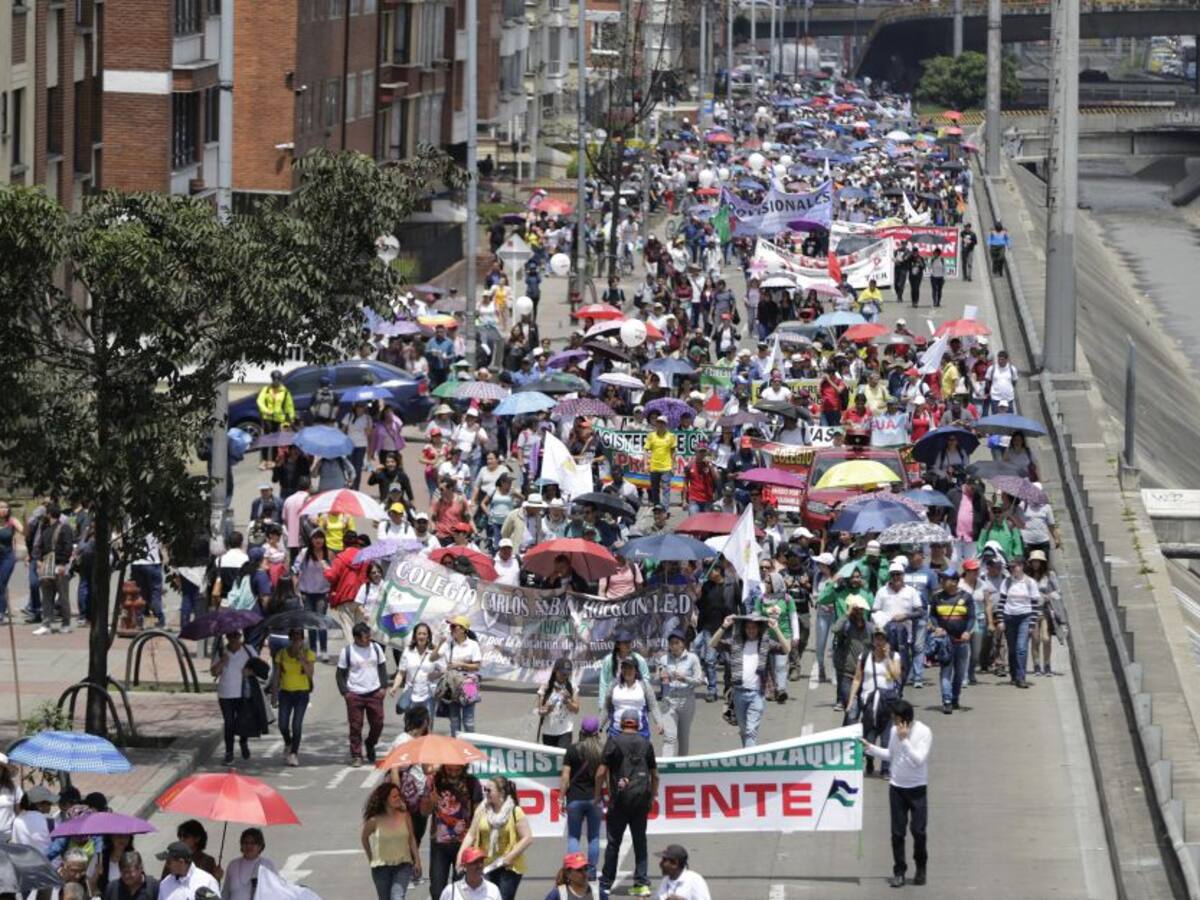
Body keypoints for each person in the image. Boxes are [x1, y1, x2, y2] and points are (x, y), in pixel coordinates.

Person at [862, 699, 932, 888]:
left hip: (917, 789)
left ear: (905, 720)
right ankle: (899, 871)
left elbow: (918, 760)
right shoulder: (894, 731)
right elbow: (890, 754)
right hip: (897, 788)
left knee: (918, 831)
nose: (892, 721)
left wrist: (905, 740)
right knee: (897, 833)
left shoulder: (924, 732)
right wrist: (869, 747)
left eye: (895, 718)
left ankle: (921, 867)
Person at [596, 709, 660, 899]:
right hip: (641, 800)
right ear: (638, 724)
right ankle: (641, 883)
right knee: (640, 841)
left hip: (619, 801)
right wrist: (652, 796)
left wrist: (598, 795)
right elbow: (655, 774)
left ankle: (606, 883)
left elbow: (600, 773)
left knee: (613, 842)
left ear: (621, 723)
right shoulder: (646, 743)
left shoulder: (613, 742)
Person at [708, 613, 791, 748]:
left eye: (754, 627)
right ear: (744, 629)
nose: (751, 630)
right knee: (744, 731)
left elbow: (786, 649)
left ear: (759, 629)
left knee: (750, 731)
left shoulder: (766, 643)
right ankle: (746, 757)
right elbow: (712, 643)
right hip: (738, 694)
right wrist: (724, 626)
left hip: (756, 694)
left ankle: (751, 763)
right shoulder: (736, 642)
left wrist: (776, 628)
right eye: (748, 628)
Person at [458, 776, 533, 900]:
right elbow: (471, 834)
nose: (485, 793)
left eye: (489, 790)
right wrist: (460, 855)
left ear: (501, 792)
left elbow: (527, 838)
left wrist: (510, 857)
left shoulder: (515, 811)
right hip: (486, 865)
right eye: (484, 789)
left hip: (509, 866)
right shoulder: (481, 810)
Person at [423, 765, 484, 900]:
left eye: (457, 770)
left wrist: (475, 840)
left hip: (464, 844)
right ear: (444, 767)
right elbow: (424, 812)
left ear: (464, 767)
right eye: (450, 770)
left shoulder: (472, 782)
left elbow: (479, 815)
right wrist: (430, 802)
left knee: (461, 891)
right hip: (439, 844)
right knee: (437, 890)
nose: (453, 773)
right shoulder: (434, 782)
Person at [849, 630, 903, 778]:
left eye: (882, 639)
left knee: (887, 738)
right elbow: (857, 679)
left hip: (888, 703)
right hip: (869, 703)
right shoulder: (865, 656)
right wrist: (850, 701)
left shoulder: (894, 656)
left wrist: (887, 657)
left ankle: (885, 768)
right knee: (869, 736)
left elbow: (896, 675)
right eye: (877, 639)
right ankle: (870, 761)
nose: (879, 643)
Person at [337, 622, 388, 766]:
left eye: (369, 636)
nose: (368, 640)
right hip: (355, 694)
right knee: (355, 726)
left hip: (374, 693)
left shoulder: (376, 648)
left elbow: (382, 667)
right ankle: (357, 755)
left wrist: (383, 688)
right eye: (365, 638)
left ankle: (370, 743)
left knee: (378, 723)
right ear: (356, 638)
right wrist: (345, 693)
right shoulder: (347, 652)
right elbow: (340, 675)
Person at [560, 718, 605, 880]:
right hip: (595, 798)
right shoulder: (602, 751)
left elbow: (565, 776)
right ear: (597, 732)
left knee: (574, 836)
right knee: (593, 837)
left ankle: (574, 871)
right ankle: (591, 872)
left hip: (575, 798)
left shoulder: (572, 750)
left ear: (581, 731)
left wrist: (560, 798)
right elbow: (604, 776)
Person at [361, 781, 421, 900]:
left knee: (397, 897)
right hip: (381, 868)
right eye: (394, 796)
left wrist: (417, 861)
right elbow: (364, 838)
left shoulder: (405, 816)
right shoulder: (374, 821)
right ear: (385, 800)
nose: (398, 798)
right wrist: (371, 858)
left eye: (399, 795)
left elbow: (412, 838)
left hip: (403, 866)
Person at [928, 569, 974, 715]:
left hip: (961, 641)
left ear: (955, 581)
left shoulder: (966, 597)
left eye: (945, 579)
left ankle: (955, 698)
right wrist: (936, 627)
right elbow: (933, 616)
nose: (942, 582)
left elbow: (971, 618)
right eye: (942, 579)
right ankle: (947, 700)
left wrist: (967, 631)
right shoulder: (936, 598)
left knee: (960, 673)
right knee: (946, 671)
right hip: (945, 642)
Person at [269, 627, 315, 766]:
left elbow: (310, 674)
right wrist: (274, 694)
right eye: (294, 637)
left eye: (299, 637)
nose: (296, 640)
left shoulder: (308, 654)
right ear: (290, 638)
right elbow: (276, 675)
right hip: (286, 693)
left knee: (296, 724)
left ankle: (294, 753)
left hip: (302, 693)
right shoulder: (282, 654)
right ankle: (288, 743)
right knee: (283, 724)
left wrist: (303, 661)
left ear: (302, 639)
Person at [211, 629, 256, 765]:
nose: (233, 639)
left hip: (243, 693)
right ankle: (229, 753)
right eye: (230, 636)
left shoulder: (248, 650)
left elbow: (260, 668)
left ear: (240, 636)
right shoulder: (221, 651)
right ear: (226, 637)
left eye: (236, 635)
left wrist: (250, 672)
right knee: (229, 723)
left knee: (243, 721)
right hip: (226, 693)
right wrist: (222, 662)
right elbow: (214, 672)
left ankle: (243, 741)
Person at [657, 631, 703, 757]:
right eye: (671, 643)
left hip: (686, 701)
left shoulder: (692, 658)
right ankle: (667, 770)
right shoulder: (663, 659)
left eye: (677, 643)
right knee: (669, 738)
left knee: (683, 738)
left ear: (683, 644)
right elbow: (656, 678)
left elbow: (699, 681)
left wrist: (685, 678)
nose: (674, 646)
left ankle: (682, 769)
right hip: (669, 701)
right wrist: (660, 677)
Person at [436, 615, 483, 736]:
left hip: (469, 683)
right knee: (454, 720)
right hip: (452, 683)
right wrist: (439, 643)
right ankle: (456, 747)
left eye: (453, 626)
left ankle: (471, 747)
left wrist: (460, 664)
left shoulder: (473, 645)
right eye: (450, 627)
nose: (450, 629)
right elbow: (433, 658)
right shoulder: (449, 644)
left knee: (469, 720)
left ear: (463, 629)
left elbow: (477, 666)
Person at [1000, 556, 1040, 689]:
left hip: (1025, 617)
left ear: (1022, 566)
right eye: (1011, 567)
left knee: (1021, 648)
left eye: (1015, 566)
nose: (1013, 569)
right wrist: (1001, 620)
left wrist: (1032, 624)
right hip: (1009, 616)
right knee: (1012, 649)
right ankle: (1014, 675)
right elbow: (1002, 602)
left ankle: (1021, 677)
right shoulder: (1006, 582)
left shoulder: (1030, 583)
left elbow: (1035, 604)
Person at [391, 621, 442, 725]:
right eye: (419, 634)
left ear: (429, 636)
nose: (422, 636)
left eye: (424, 634)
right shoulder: (407, 651)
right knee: (411, 726)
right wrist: (395, 687)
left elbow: (444, 670)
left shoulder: (434, 652)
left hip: (428, 694)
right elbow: (401, 672)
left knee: (427, 726)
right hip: (411, 694)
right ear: (414, 636)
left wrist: (435, 674)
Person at [602, 657, 663, 739]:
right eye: (624, 668)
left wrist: (659, 723)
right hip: (616, 733)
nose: (627, 671)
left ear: (636, 670)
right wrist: (600, 726)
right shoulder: (613, 685)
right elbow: (606, 707)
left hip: (640, 733)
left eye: (630, 668)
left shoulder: (644, 685)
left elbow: (653, 706)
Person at [221, 828, 276, 900]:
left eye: (253, 843)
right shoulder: (233, 865)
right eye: (246, 843)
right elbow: (225, 893)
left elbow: (275, 891)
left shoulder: (267, 865)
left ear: (260, 846)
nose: (249, 846)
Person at [537, 658, 581, 747]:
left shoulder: (572, 687)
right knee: (550, 759)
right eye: (562, 673)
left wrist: (567, 702)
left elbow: (576, 709)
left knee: (562, 757)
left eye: (567, 674)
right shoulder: (546, 686)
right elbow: (539, 711)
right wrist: (548, 710)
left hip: (565, 731)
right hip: (548, 732)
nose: (565, 676)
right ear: (555, 671)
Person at [644, 416, 677, 511]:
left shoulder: (671, 436)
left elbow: (673, 451)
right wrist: (646, 464)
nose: (660, 424)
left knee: (666, 489)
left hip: (666, 467)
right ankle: (657, 508)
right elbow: (646, 450)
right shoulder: (651, 436)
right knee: (654, 489)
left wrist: (674, 465)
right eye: (658, 422)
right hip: (654, 467)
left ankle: (665, 510)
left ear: (666, 424)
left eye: (662, 423)